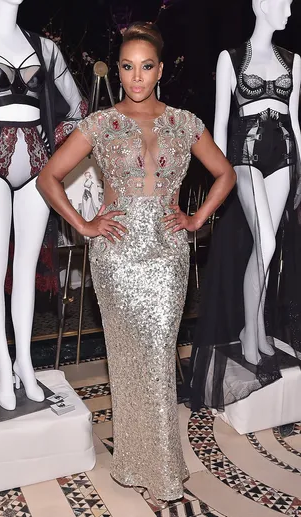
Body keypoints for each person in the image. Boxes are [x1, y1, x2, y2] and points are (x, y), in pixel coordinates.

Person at [37, 21, 236, 508]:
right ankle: (134, 462)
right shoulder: (101, 123)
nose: (136, 77)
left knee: (156, 357)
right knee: (130, 360)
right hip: (116, 253)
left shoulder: (185, 122)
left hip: (167, 253)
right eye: (127, 67)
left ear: (160, 69)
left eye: (146, 67)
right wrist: (84, 226)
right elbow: (48, 178)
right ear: (120, 71)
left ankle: (160, 465)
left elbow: (225, 174)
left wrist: (195, 220)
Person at [188, 0, 301, 412]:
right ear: (261, 5)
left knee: (268, 251)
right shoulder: (231, 59)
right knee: (266, 244)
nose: (288, 10)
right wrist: (222, 177)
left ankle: (256, 328)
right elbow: (219, 125)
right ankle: (251, 331)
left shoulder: (294, 60)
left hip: (285, 157)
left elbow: (296, 120)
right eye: (282, 3)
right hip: (245, 156)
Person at [0, 0, 84, 410]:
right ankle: (2, 367)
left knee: (25, 270)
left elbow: (77, 109)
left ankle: (25, 363)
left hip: (38, 164)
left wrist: (55, 153)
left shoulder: (45, 47)